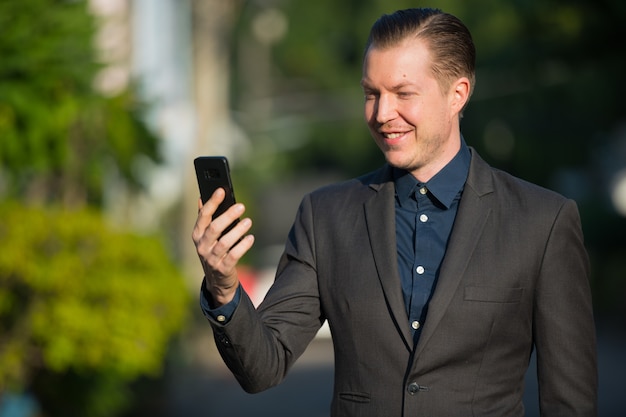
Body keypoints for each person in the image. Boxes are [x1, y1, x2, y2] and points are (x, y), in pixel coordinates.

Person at [192, 7, 597, 417]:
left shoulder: (542, 222)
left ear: (457, 94)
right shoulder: (325, 217)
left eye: (403, 93)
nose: (382, 114)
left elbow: (570, 402)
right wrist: (224, 289)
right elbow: (263, 366)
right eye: (372, 93)